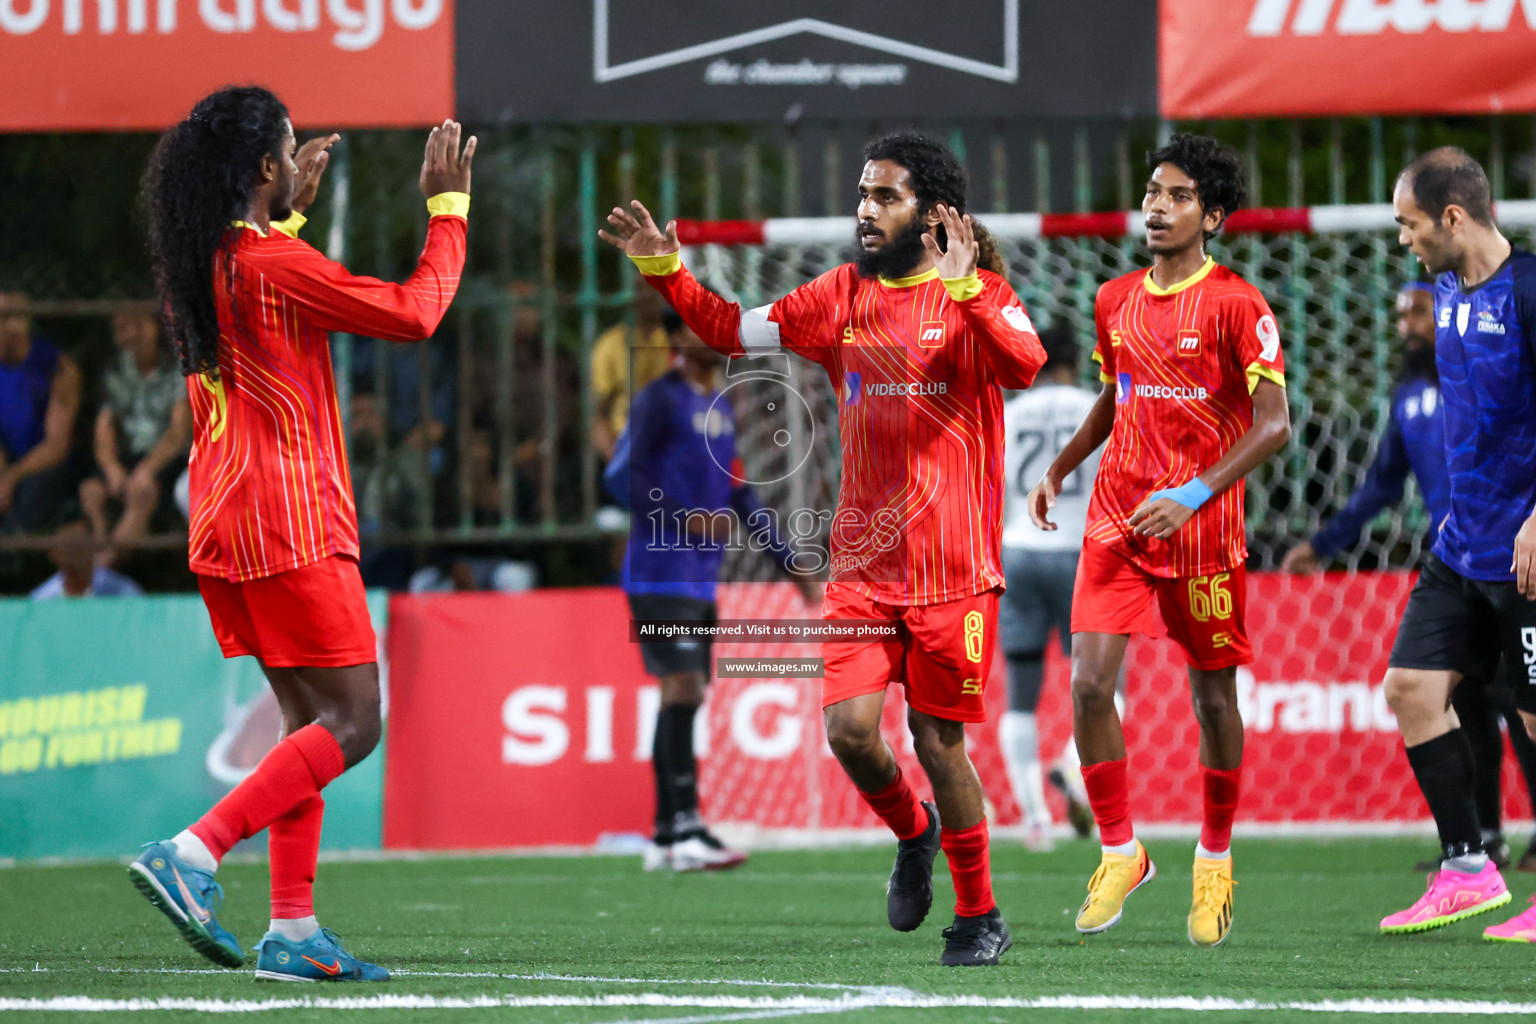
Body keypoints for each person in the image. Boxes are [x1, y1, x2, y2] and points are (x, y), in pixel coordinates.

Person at [602, 132, 1047, 967]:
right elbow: (733, 329)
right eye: (863, 195)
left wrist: (967, 291)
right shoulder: (839, 295)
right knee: (848, 732)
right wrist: (668, 271)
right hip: (865, 572)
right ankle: (913, 834)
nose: (866, 211)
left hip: (955, 574)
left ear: (932, 212)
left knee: (939, 742)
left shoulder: (978, 294)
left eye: (886, 197)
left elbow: (1025, 361)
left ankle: (981, 914)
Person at [128, 85, 474, 981]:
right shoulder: (270, 263)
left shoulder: (210, 258)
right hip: (292, 519)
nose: (300, 161)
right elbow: (415, 311)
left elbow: (267, 287)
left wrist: (285, 218)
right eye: (287, 152)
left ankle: (293, 930)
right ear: (265, 170)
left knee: (301, 726)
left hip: (227, 517)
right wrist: (447, 210)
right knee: (355, 722)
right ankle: (196, 852)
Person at [1028, 134, 1291, 948]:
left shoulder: (1240, 305)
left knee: (1213, 700)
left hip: (1203, 531)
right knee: (1087, 686)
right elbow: (1116, 393)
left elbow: (1274, 425)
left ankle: (1214, 856)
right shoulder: (1113, 299)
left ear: (1210, 215)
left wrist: (1194, 491)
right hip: (1117, 520)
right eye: (1151, 192)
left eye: (1176, 196)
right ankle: (1120, 850)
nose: (1155, 206)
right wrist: (1063, 466)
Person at [1283, 282, 1536, 874]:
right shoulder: (1410, 396)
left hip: (1512, 563)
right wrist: (1322, 545)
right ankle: (1485, 840)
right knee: (1463, 704)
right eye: (1400, 315)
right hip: (1454, 567)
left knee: (1522, 705)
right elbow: (1381, 483)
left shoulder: (1487, 374)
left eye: (1418, 312)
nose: (1407, 326)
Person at [1379, 146, 1536, 943]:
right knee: (1409, 689)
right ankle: (1468, 867)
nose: (1403, 240)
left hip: (1527, 549)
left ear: (1452, 216)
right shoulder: (1444, 292)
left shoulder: (1532, 291)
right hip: (1459, 546)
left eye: (1408, 224)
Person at [604, 310, 811, 872]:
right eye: (693, 327)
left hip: (699, 576)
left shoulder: (721, 406)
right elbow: (619, 476)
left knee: (686, 694)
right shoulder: (659, 400)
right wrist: (683, 519)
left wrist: (789, 561)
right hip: (657, 571)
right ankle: (683, 828)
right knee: (683, 688)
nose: (709, 335)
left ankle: (668, 837)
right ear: (673, 338)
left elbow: (741, 494)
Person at [998, 322, 1110, 852]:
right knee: (1106, 682)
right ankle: (1072, 763)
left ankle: (1035, 822)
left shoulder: (1009, 413)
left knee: (1019, 694)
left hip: (1018, 552)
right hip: (1079, 554)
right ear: (1074, 364)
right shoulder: (1096, 406)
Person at [79, 308, 191, 563]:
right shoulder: (115, 372)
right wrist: (110, 468)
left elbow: (178, 431)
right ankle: (100, 545)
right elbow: (104, 430)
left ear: (155, 328)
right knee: (91, 490)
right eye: (121, 329)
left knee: (142, 491)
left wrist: (147, 469)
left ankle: (105, 565)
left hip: (165, 459)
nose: (129, 335)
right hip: (127, 455)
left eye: (137, 326)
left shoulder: (177, 369)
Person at [0, 291, 81, 535]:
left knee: (32, 489)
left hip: (46, 464)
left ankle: (11, 555)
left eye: (14, 317)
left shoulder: (58, 366)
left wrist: (10, 477)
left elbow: (56, 446)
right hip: (7, 462)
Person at [591, 284, 673, 461]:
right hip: (625, 445)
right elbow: (596, 415)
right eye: (648, 292)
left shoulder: (674, 341)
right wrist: (616, 458)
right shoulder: (611, 345)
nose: (657, 300)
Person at [30, 517, 143, 599]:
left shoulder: (123, 593)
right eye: (69, 547)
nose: (74, 555)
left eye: (80, 547)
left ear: (92, 549)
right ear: (54, 554)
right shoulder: (42, 600)